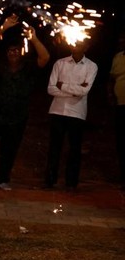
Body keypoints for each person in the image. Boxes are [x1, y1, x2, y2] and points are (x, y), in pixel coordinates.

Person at [0, 14, 50, 191]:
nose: (13, 53)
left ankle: (3, 179)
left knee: (9, 150)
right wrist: (4, 27)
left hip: (17, 116)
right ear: (6, 52)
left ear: (21, 51)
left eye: (16, 50)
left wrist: (34, 38)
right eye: (10, 50)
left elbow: (45, 58)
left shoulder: (28, 67)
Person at [44, 39, 98, 191]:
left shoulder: (91, 66)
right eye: (74, 43)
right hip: (57, 110)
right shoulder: (60, 63)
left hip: (77, 112)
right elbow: (51, 88)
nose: (76, 46)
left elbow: (84, 91)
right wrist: (74, 91)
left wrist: (62, 85)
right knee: (54, 147)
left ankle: (71, 182)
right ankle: (50, 180)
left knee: (74, 149)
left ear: (86, 47)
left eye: (79, 44)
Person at [109, 31, 125, 189]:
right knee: (121, 141)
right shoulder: (118, 57)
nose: (121, 41)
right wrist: (110, 96)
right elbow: (112, 78)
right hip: (120, 105)